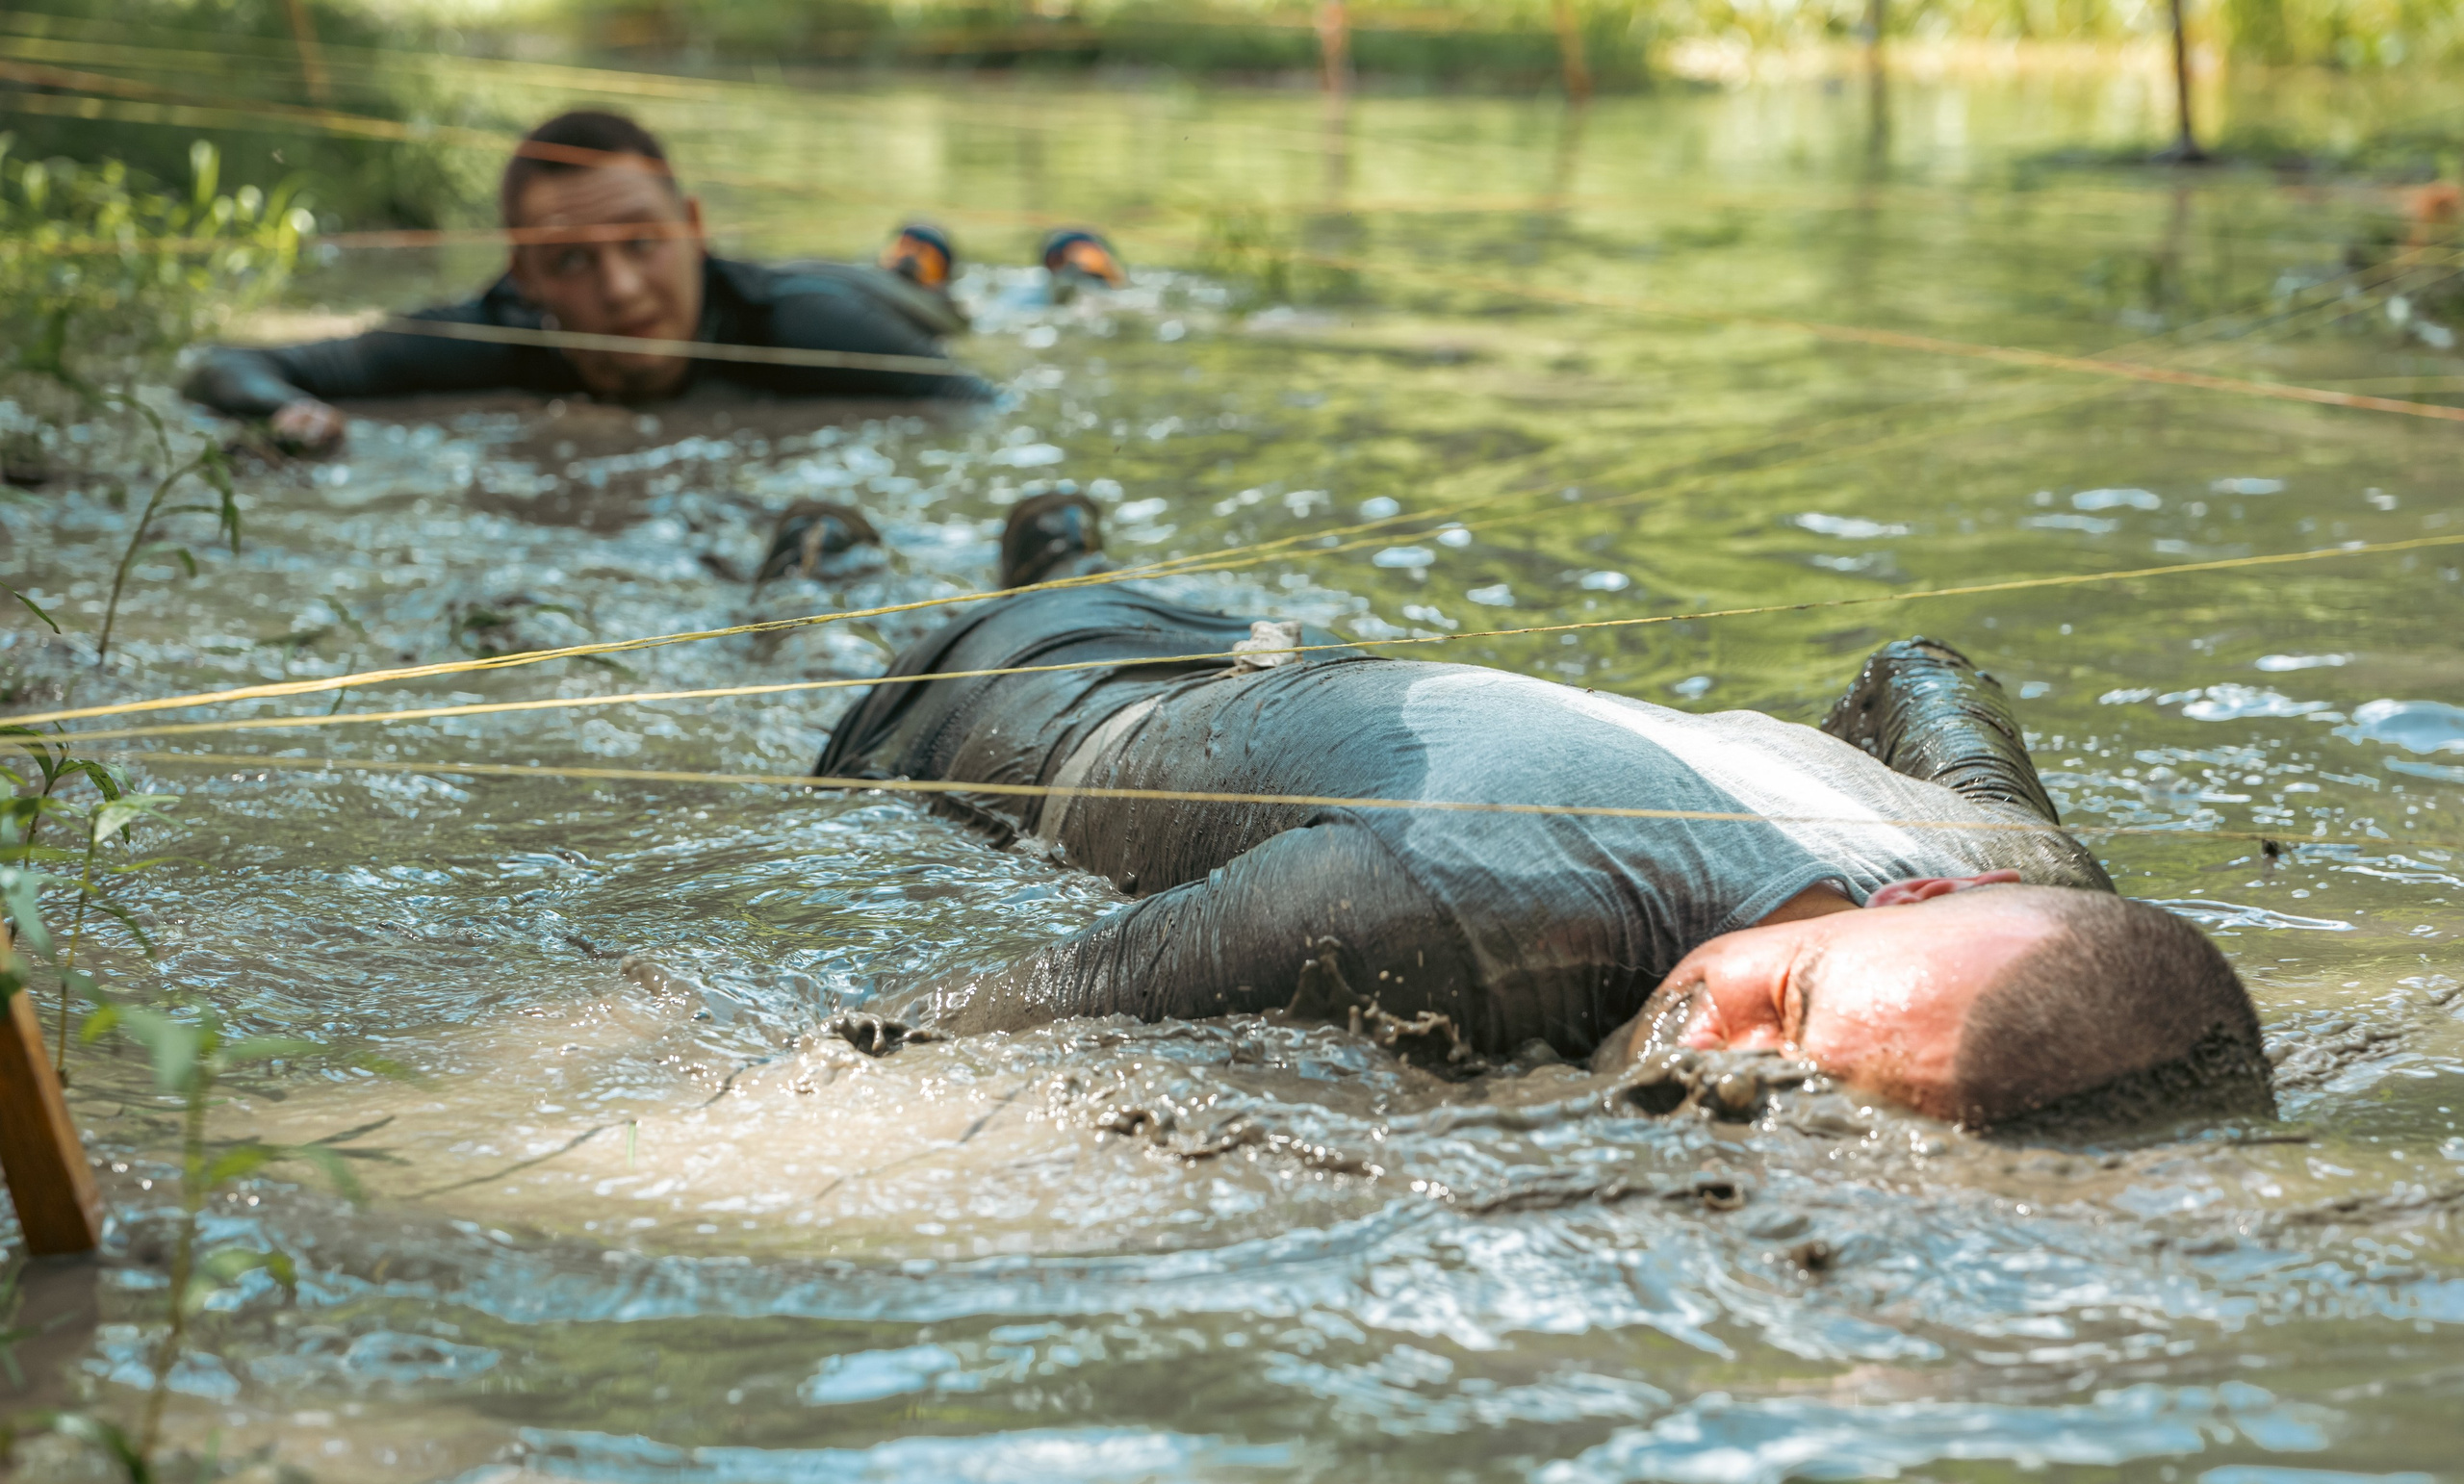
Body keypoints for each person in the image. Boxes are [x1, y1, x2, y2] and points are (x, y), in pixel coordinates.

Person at [790, 494, 2272, 1131]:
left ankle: (1054, 544)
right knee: (821, 615)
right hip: (989, 699)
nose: (1720, 1038)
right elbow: (913, 1034)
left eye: (1810, 1083)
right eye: (1795, 996)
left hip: (1289, 663)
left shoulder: (2028, 872)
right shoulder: (1450, 915)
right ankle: (840, 574)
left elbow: (1919, 669)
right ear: (1918, 900)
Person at [182, 110, 1128, 452]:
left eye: (644, 244)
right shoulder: (491, 330)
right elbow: (227, 366)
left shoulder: (806, 323)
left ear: (692, 229)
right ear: (524, 277)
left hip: (869, 298)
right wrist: (287, 418)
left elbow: (980, 406)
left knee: (955, 298)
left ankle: (1031, 263)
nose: (625, 290)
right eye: (574, 263)